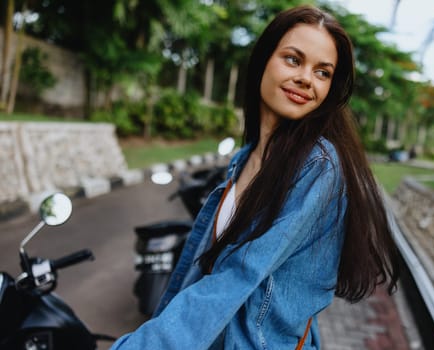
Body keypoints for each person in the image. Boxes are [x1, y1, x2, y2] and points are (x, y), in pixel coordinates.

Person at [111, 5, 398, 349]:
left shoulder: (318, 166)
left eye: (323, 72)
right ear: (264, 59)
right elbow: (199, 276)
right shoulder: (244, 160)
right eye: (294, 60)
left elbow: (238, 275)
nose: (307, 78)